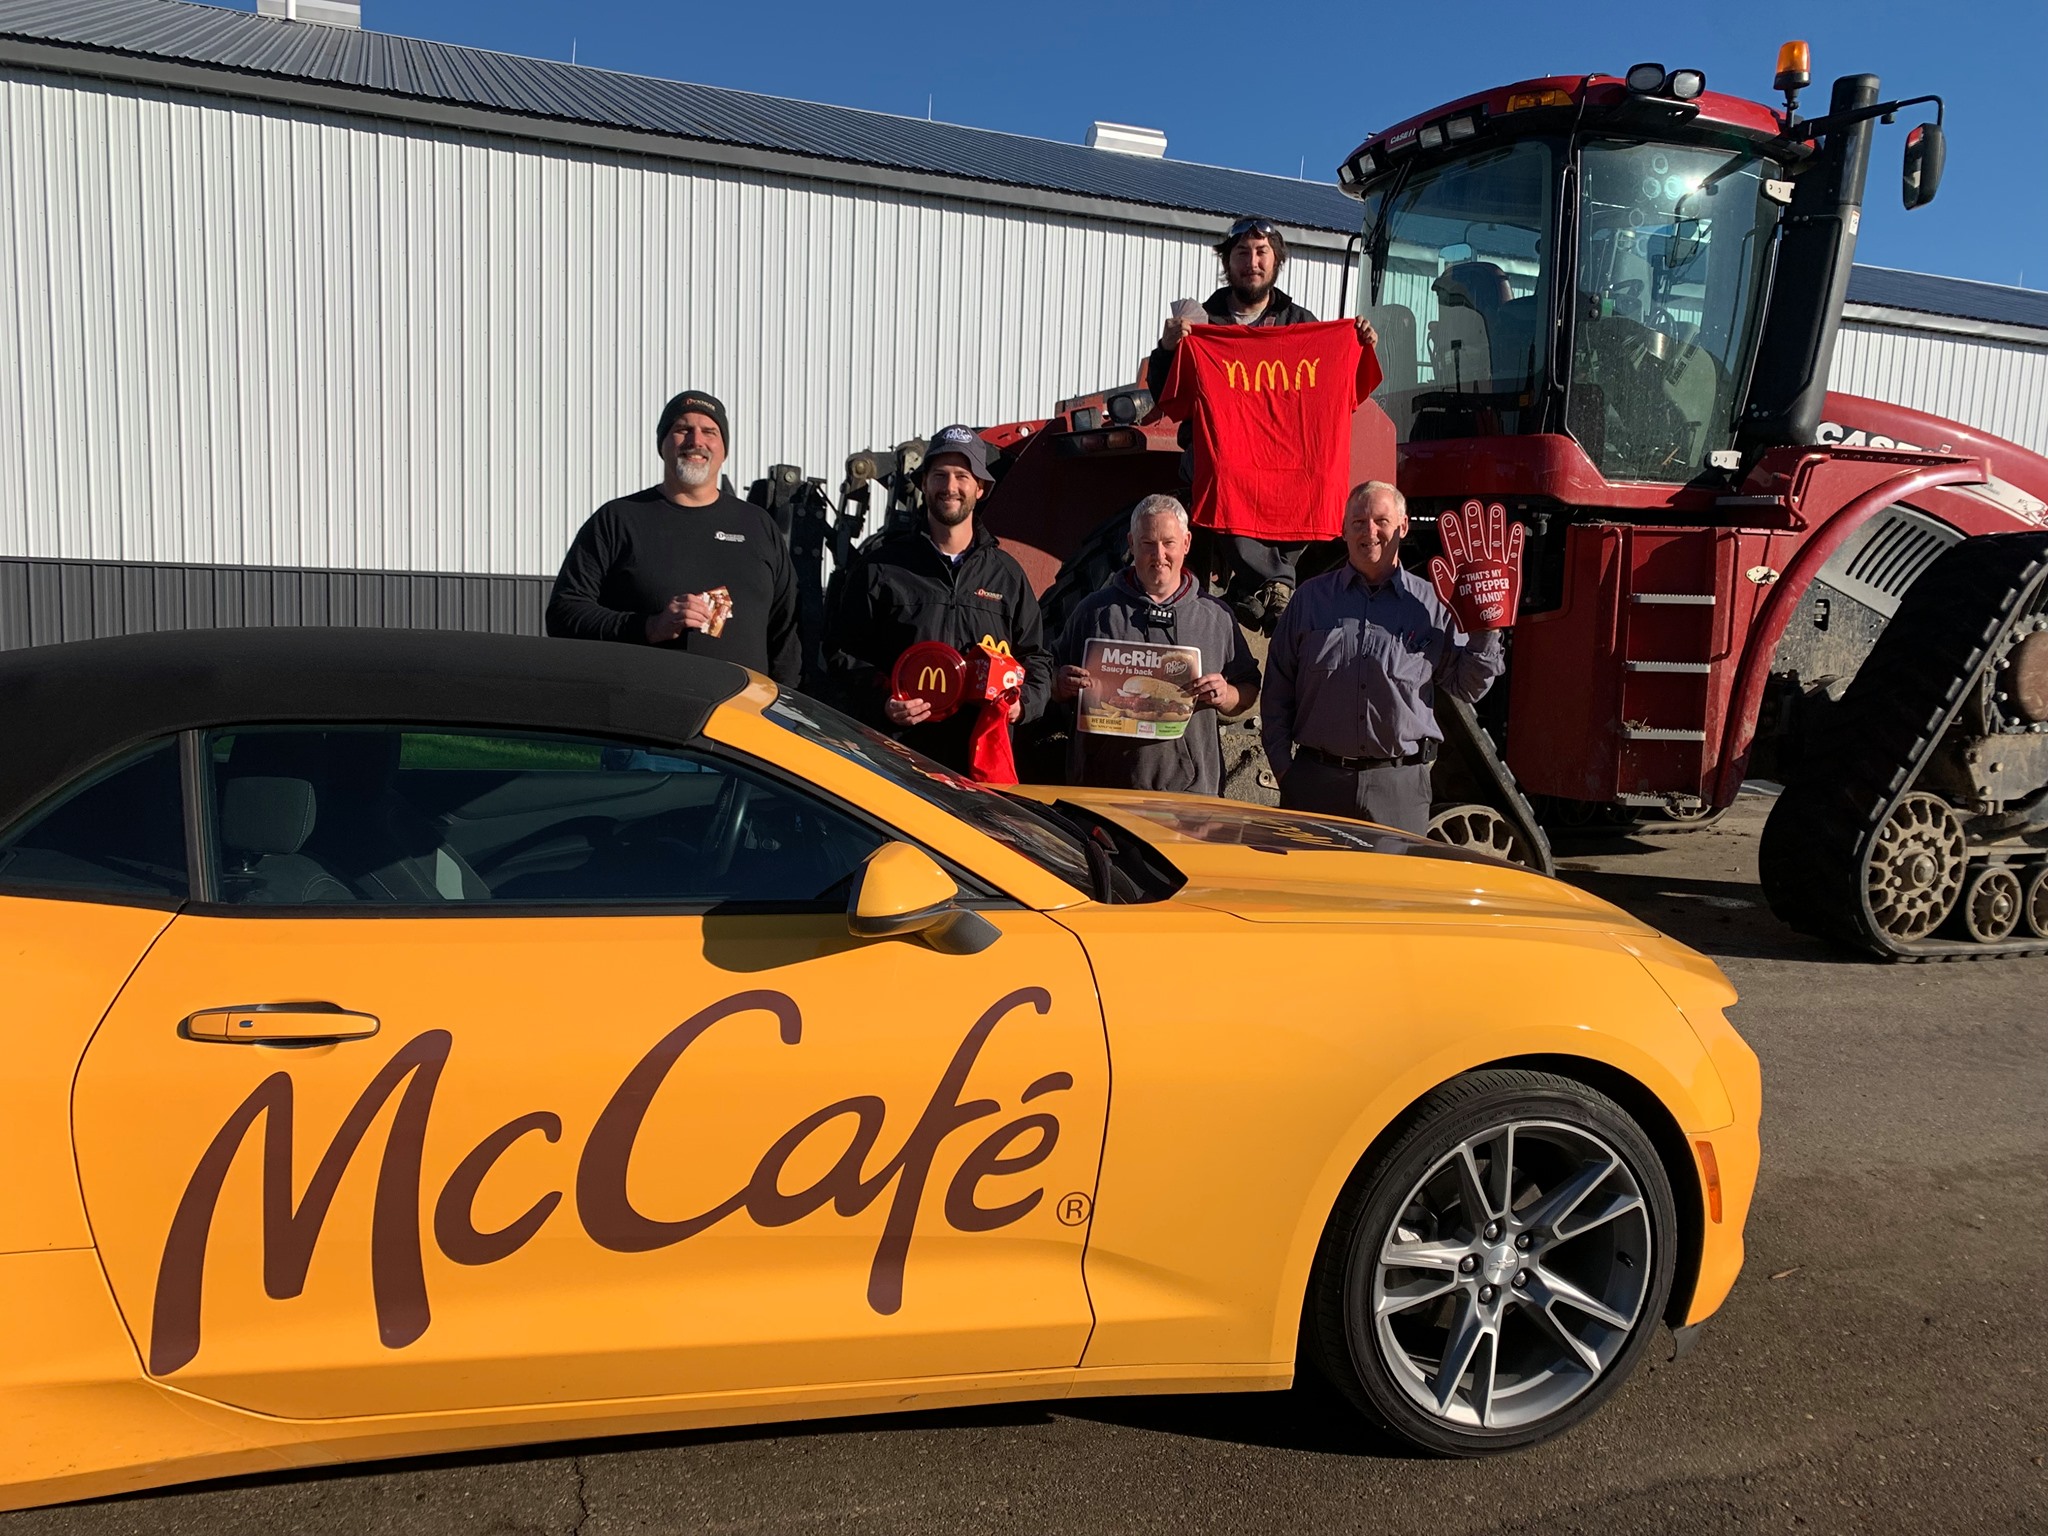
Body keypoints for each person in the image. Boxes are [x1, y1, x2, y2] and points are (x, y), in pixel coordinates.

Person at [1143, 216, 1379, 631]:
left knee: (1322, 473)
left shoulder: (1302, 323)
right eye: (1242, 253)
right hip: (1221, 448)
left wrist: (1359, 343)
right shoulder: (1203, 324)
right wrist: (1167, 348)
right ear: (1227, 262)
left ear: (1276, 261)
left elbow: (1345, 388)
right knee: (1225, 471)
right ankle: (1276, 582)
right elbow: (1167, 396)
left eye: (1261, 253)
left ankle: (1254, 587)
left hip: (1287, 447)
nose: (1252, 262)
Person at [1261, 481, 1503, 834]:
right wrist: (1286, 770)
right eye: (1358, 522)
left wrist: (1487, 629)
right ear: (1344, 530)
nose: (1370, 532)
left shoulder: (1433, 605)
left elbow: (1467, 687)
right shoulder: (1309, 600)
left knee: (1395, 875)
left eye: (1381, 521)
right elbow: (1276, 689)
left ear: (1403, 526)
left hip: (1399, 792)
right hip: (1316, 786)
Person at [823, 424, 1052, 774]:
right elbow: (843, 653)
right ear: (924, 483)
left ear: (981, 488)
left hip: (979, 767)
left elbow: (1036, 658)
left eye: (962, 476)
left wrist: (1023, 705)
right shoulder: (882, 568)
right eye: (940, 475)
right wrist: (884, 702)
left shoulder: (1006, 576)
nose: (950, 487)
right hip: (899, 762)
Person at [546, 390, 802, 687]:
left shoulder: (758, 525)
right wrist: (649, 627)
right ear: (663, 444)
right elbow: (564, 613)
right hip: (645, 709)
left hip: (741, 712)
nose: (696, 441)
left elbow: (787, 631)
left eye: (709, 431)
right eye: (683, 429)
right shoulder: (618, 519)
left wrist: (782, 702)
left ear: (724, 449)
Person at [1053, 495, 1258, 796]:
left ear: (1186, 543)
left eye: (1168, 543)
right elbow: (1047, 677)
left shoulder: (1216, 617)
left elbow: (1249, 689)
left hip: (1190, 795)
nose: (1159, 555)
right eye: (1148, 543)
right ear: (1131, 544)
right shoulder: (1094, 611)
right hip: (1101, 792)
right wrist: (1060, 683)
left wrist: (1227, 694)